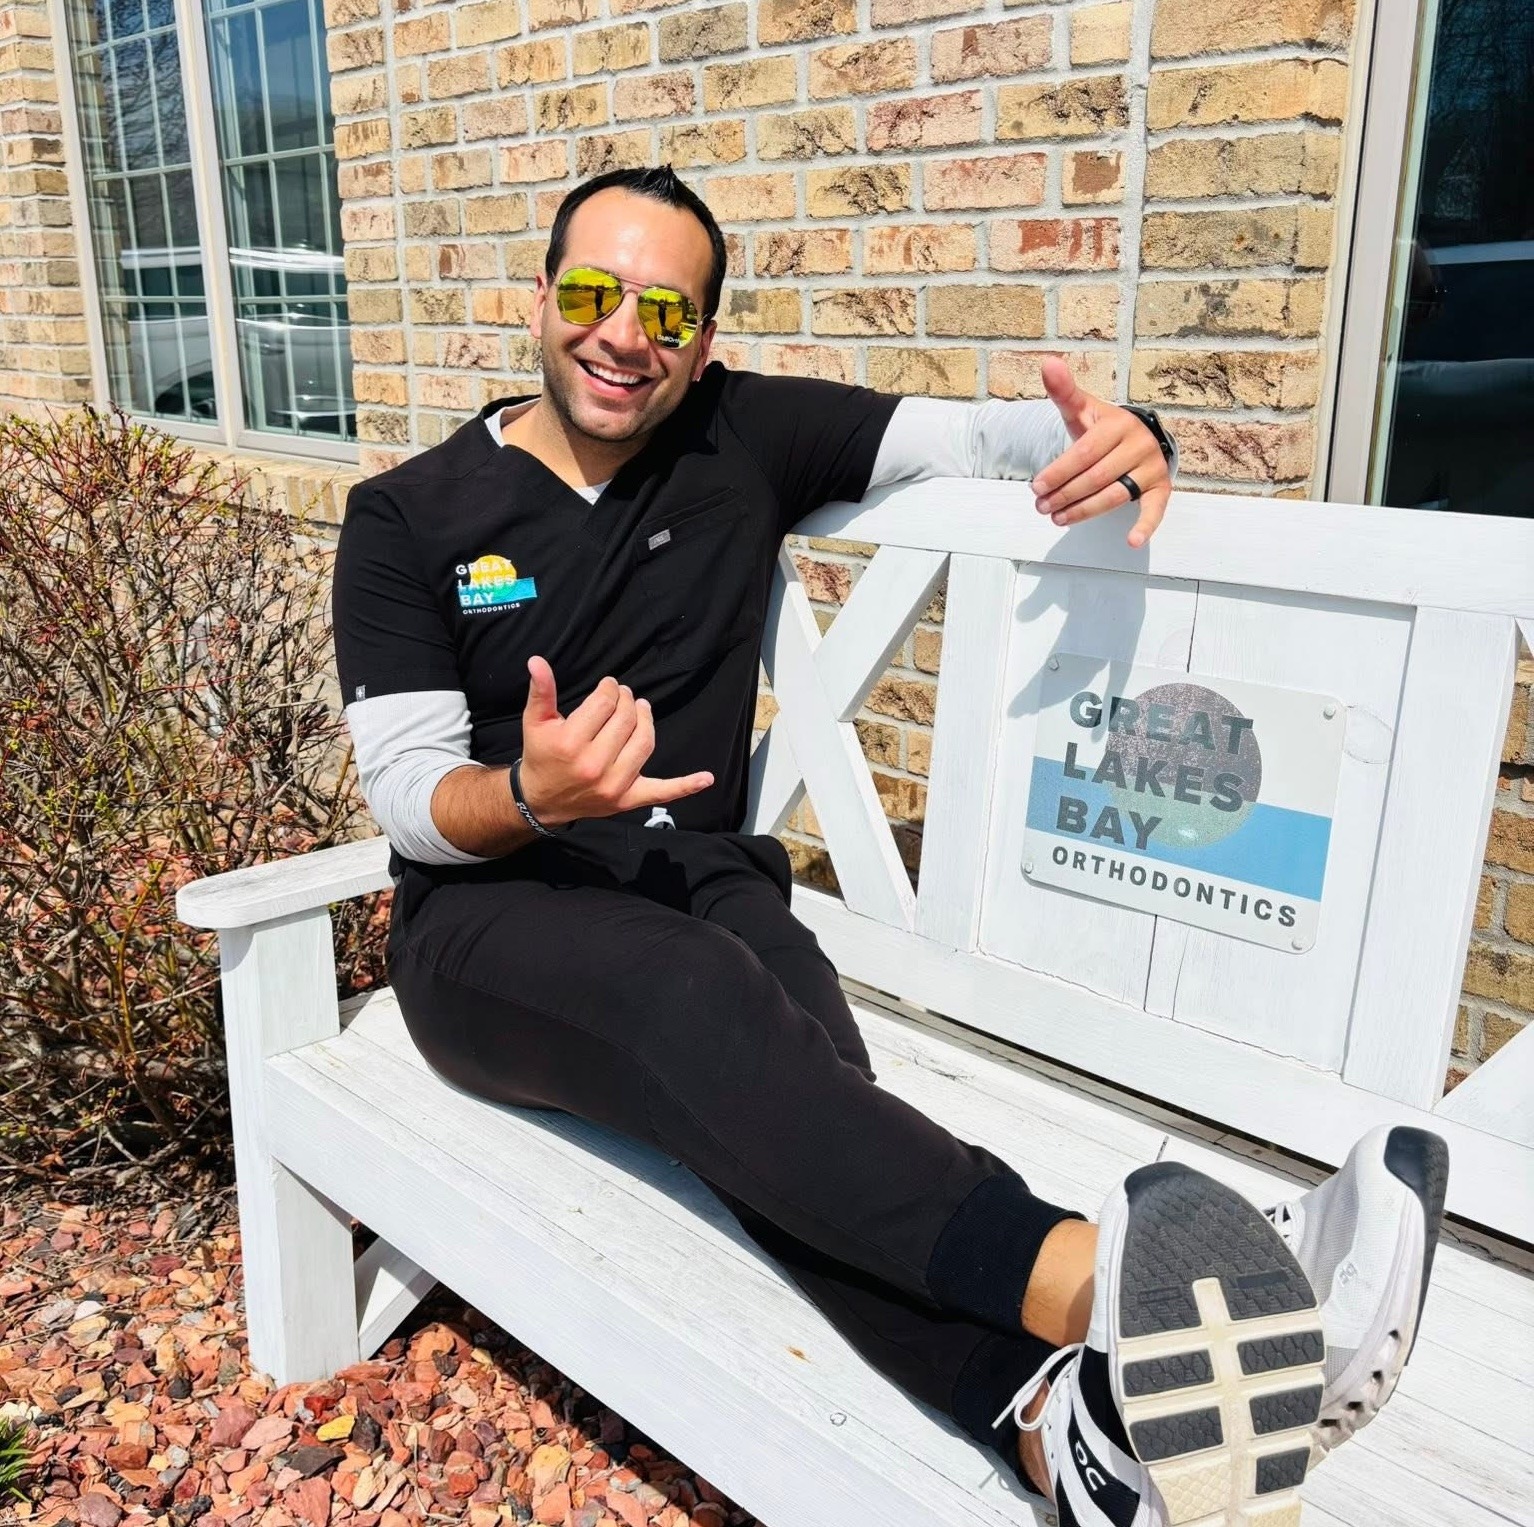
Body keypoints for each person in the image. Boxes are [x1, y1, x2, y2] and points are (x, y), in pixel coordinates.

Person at [333, 167, 1449, 1525]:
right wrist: (528, 791)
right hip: (490, 925)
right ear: (538, 299)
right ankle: (1134, 1298)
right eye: (590, 294)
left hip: (699, 889)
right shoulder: (408, 514)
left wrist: (1129, 433)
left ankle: (1061, 1436)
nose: (624, 335)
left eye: (667, 314)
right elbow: (407, 795)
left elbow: (991, 437)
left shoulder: (744, 433)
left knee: (802, 1102)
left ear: (703, 338)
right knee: (710, 1027)